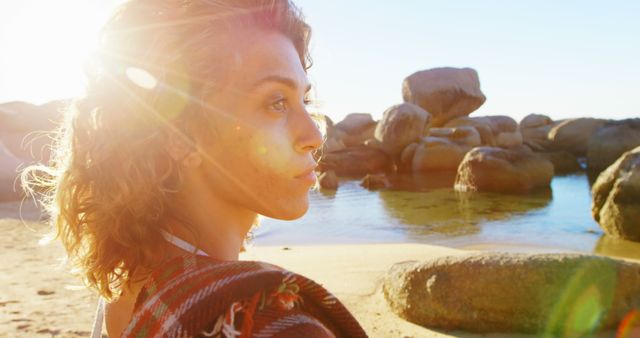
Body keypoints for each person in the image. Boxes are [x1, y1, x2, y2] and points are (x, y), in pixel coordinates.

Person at [22, 0, 367, 337]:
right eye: (276, 102)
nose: (314, 136)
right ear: (183, 135)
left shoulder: (130, 285)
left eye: (304, 101)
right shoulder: (265, 321)